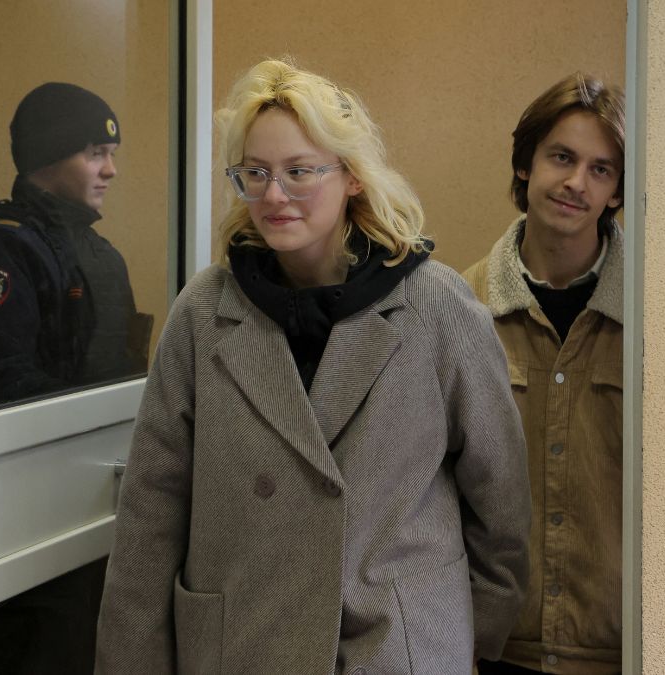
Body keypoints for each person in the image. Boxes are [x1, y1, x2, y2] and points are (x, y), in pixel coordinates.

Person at [95, 59, 531, 674]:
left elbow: (501, 496)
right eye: (255, 173)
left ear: (351, 176)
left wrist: (462, 636)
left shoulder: (434, 306)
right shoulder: (204, 312)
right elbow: (152, 508)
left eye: (299, 171)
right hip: (243, 643)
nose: (273, 195)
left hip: (394, 648)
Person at [465, 72, 625, 674]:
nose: (576, 183)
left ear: (615, 192)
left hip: (623, 651)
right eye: (561, 157)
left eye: (601, 169)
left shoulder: (659, 321)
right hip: (492, 651)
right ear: (526, 165)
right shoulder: (460, 307)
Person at [0, 81, 150, 414]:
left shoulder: (100, 253)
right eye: (95, 153)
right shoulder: (0, 249)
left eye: (111, 154)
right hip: (30, 457)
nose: (111, 170)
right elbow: (0, 387)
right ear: (48, 158)